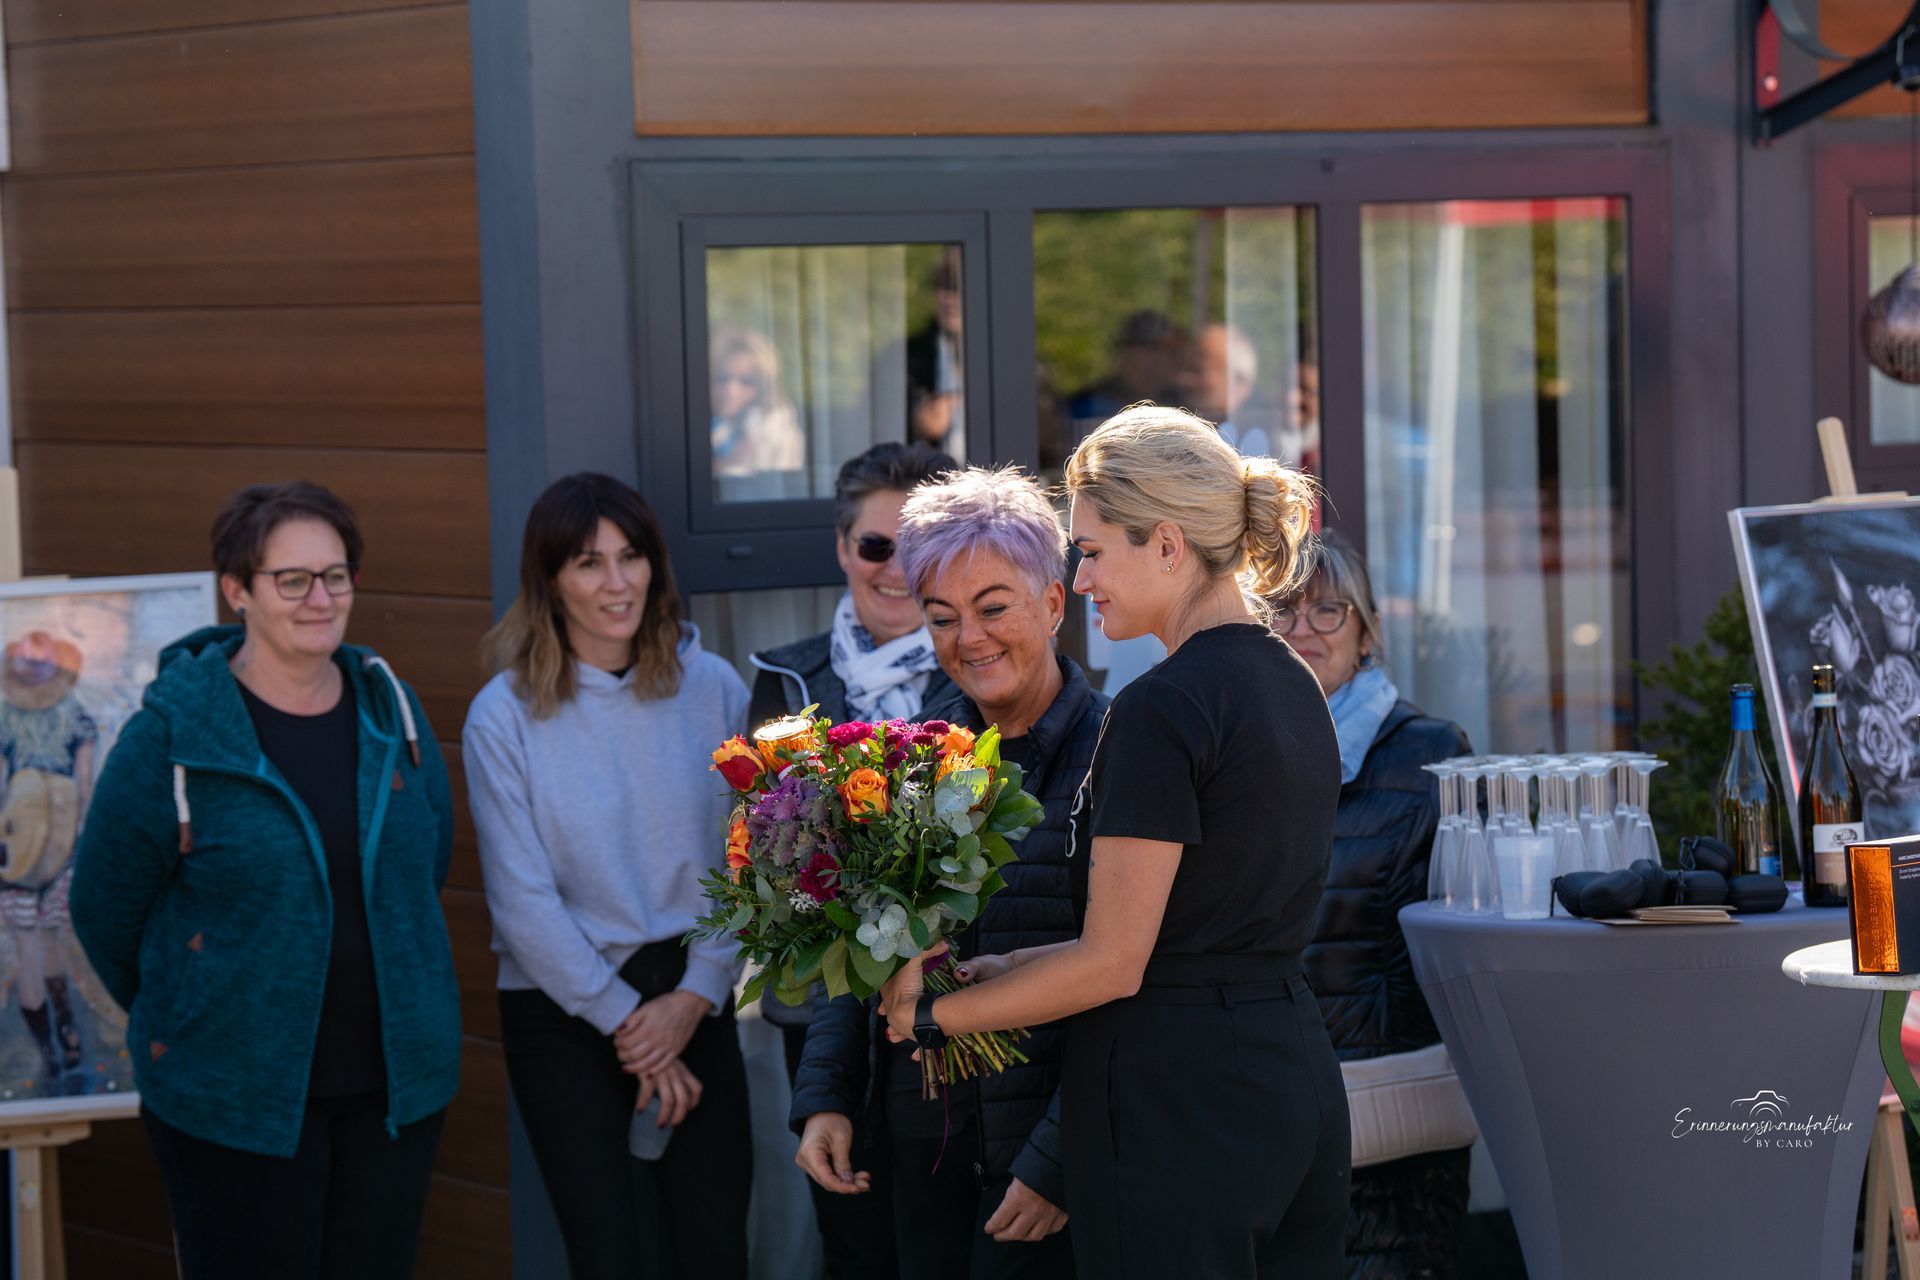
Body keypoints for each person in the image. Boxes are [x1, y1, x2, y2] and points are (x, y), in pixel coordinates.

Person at [879, 404, 1350, 1279]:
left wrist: (932, 1013)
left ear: (1168, 545)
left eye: (1092, 551)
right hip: (1294, 1085)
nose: (1081, 579)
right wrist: (1006, 970)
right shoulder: (1294, 683)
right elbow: (1197, 933)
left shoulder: (1161, 706)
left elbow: (1115, 963)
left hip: (1178, 1107)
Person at [71, 481, 459, 1279]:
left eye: (336, 575)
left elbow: (426, 868)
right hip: (231, 1105)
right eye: (292, 579)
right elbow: (103, 907)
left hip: (392, 1099)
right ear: (237, 591)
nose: (319, 598)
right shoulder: (171, 737)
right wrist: (195, 1009)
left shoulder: (397, 714)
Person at [792, 466, 1106, 1279]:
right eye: (942, 617)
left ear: (1051, 603)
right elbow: (852, 947)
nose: (970, 638)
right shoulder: (908, 760)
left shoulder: (1119, 757)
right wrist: (826, 1096)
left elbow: (1134, 983)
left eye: (994, 607)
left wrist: (1056, 1161)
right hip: (916, 1142)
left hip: (1041, 1164)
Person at [463, 473, 752, 1280]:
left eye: (632, 558)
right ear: (550, 579)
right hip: (565, 1007)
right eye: (590, 563)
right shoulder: (503, 715)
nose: (617, 583)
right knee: (611, 1253)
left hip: (699, 987)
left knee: (713, 1243)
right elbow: (521, 902)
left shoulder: (715, 688)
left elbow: (749, 860)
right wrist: (634, 1025)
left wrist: (693, 998)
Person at [749, 440, 955, 1280]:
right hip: (826, 1021)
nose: (897, 569)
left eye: (919, 548)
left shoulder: (986, 667)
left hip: (960, 1018)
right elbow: (767, 872)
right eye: (877, 546)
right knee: (856, 1250)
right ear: (843, 549)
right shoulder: (783, 687)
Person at [1281, 532, 1473, 1280]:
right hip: (1277, 1112)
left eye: (1327, 612)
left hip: (1392, 1122)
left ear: (1365, 633)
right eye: (1284, 614)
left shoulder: (1429, 753)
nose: (1303, 633)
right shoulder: (1239, 753)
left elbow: (1452, 951)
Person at [0, 631, 98, 1095]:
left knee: (31, 951)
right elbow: (85, 788)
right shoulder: (77, 719)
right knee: (45, 945)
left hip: (15, 853)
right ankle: (66, 1040)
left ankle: (52, 1054)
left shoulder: (4, 723)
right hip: (58, 851)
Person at [710, 326, 807, 499]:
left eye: (746, 382)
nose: (731, 391)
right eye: (722, 379)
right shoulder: (706, 424)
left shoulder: (776, 430)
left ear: (763, 385)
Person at [906, 255, 967, 453]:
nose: (951, 299)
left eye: (957, 289)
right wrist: (917, 422)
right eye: (944, 288)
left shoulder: (1011, 356)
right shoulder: (909, 355)